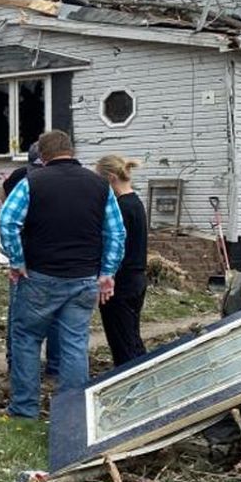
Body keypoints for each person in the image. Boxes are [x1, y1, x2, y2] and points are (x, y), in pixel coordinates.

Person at [0, 130, 125, 419]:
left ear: (42, 156)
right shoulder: (99, 186)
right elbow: (116, 232)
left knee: (27, 339)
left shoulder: (32, 182)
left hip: (39, 276)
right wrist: (107, 272)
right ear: (72, 151)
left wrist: (17, 261)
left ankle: (24, 409)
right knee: (74, 344)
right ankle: (71, 414)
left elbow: (8, 221)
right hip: (83, 279)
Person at [0, 141, 58, 378]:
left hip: (33, 260)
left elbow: (6, 211)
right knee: (45, 319)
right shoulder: (21, 176)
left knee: (22, 319)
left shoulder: (23, 178)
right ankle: (45, 366)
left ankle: (20, 366)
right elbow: (3, 200)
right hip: (44, 261)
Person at [95, 155, 149, 366]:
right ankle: (142, 374)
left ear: (110, 178)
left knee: (123, 343)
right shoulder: (135, 202)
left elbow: (115, 246)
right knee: (132, 337)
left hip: (121, 282)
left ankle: (132, 384)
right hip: (137, 279)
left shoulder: (120, 208)